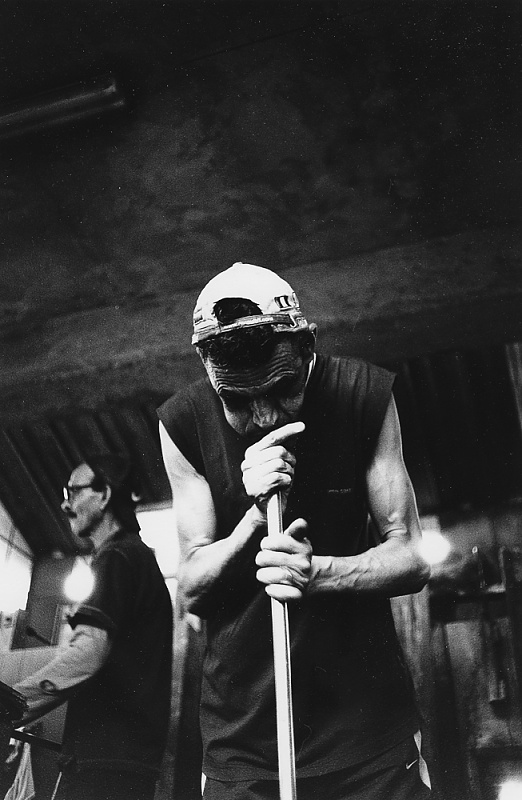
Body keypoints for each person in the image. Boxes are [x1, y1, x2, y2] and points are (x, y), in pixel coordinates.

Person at [157, 261, 432, 800]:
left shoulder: (361, 393)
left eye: (282, 388)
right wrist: (254, 520)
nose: (264, 416)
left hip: (367, 728)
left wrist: (316, 573)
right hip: (244, 738)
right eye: (237, 400)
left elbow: (412, 556)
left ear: (308, 348)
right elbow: (191, 586)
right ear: (208, 371)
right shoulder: (182, 422)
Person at [11, 454, 173, 800]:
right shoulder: (139, 559)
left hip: (103, 766)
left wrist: (9, 705)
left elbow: (87, 653)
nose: (65, 504)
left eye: (73, 491)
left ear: (104, 495)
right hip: (126, 763)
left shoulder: (117, 557)